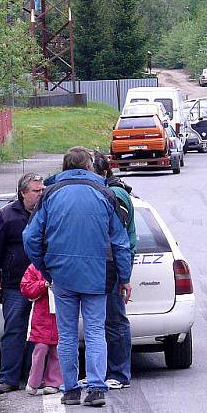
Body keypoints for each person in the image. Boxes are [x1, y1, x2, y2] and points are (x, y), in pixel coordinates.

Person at [23, 147, 132, 408]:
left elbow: (30, 237)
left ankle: (70, 389)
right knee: (95, 331)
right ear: (89, 167)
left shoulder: (50, 194)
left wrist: (45, 266)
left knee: (67, 333)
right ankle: (96, 387)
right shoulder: (104, 194)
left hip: (62, 275)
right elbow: (120, 242)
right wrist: (125, 277)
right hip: (97, 275)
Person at [0, 172, 45, 395]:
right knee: (14, 329)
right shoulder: (6, 216)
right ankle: (8, 378)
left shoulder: (48, 212)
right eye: (36, 191)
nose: (41, 194)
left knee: (42, 332)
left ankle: (36, 376)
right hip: (15, 284)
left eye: (42, 189)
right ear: (23, 193)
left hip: (43, 284)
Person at [93, 152, 136, 389]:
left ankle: (119, 373)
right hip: (105, 264)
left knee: (115, 319)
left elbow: (117, 236)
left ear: (104, 173)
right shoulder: (108, 192)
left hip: (113, 265)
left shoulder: (115, 195)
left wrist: (123, 273)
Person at [20, 263, 63, 396]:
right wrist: (42, 285)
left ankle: (54, 382)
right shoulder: (35, 267)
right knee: (40, 349)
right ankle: (34, 381)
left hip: (59, 315)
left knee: (57, 350)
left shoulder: (62, 264)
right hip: (41, 317)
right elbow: (26, 287)